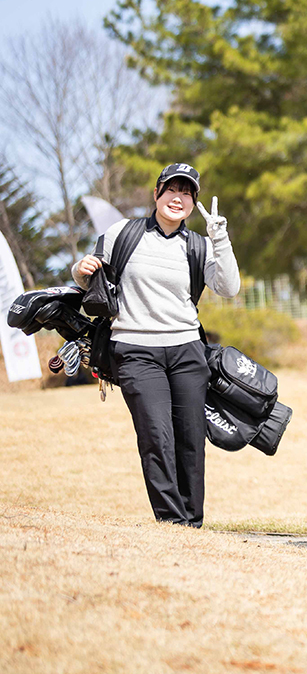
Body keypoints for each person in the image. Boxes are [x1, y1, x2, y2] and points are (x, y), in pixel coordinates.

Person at [71, 163, 240, 527]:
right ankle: (172, 521)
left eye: (187, 192)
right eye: (171, 190)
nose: (178, 198)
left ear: (193, 203)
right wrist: (78, 270)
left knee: (191, 441)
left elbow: (229, 288)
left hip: (187, 352)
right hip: (134, 351)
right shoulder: (123, 233)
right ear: (156, 194)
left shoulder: (198, 245)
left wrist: (220, 239)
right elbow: (91, 278)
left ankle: (192, 522)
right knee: (155, 436)